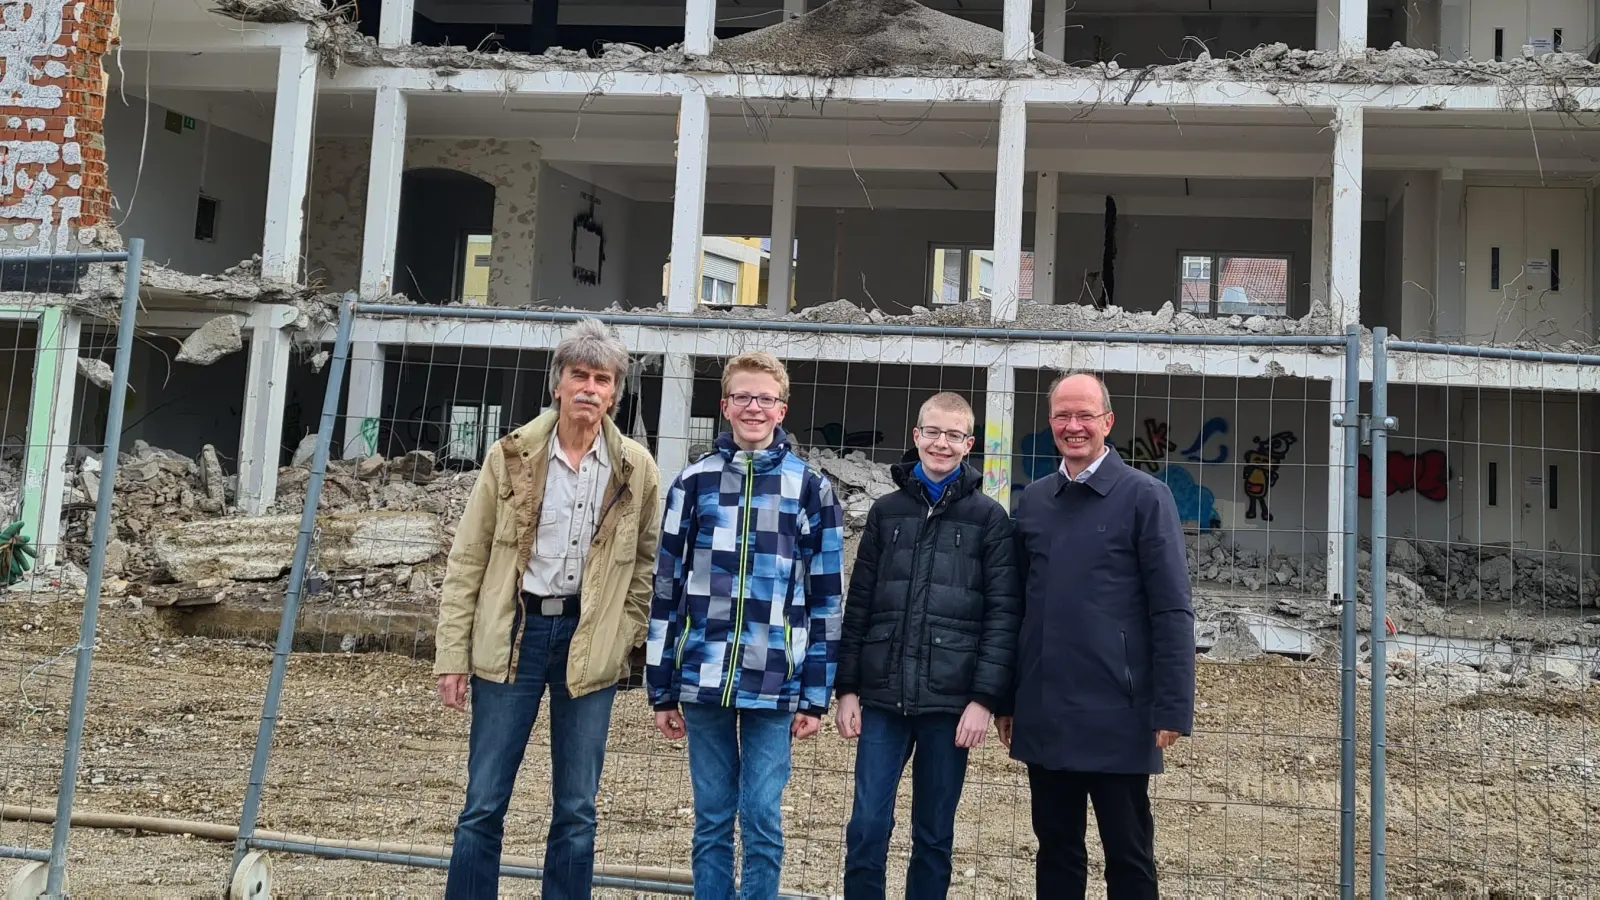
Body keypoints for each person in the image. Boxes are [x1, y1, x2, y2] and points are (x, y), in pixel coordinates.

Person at [435, 319, 663, 899]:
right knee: (483, 801)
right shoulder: (510, 455)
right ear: (558, 384)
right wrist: (452, 655)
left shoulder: (636, 468)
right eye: (579, 375)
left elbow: (645, 563)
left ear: (615, 392)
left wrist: (624, 632)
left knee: (578, 808)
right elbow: (469, 557)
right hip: (516, 636)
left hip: (589, 642)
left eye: (602, 378)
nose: (589, 388)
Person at [646, 351, 845, 900]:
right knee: (712, 819)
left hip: (776, 680)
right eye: (742, 397)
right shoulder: (692, 483)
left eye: (766, 399)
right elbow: (666, 588)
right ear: (725, 406)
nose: (753, 407)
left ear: (782, 409)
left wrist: (816, 694)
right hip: (704, 677)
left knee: (761, 817)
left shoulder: (811, 489)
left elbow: (827, 597)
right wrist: (660, 687)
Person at [1000, 371, 1196, 900]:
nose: (1073, 425)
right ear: (1050, 423)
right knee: (1057, 853)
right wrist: (1007, 699)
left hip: (1120, 714)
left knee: (1128, 858)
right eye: (1063, 415)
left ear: (1108, 422)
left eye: (1085, 415)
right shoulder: (1035, 501)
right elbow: (1018, 607)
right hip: (1047, 711)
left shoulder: (1145, 498)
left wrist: (1173, 706)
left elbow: (1173, 609)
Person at [835, 392, 1021, 899]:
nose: (941, 443)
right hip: (881, 697)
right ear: (916, 437)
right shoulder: (885, 513)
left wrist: (984, 700)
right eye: (932, 432)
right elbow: (861, 604)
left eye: (954, 435)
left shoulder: (990, 520)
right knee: (867, 828)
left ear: (970, 444)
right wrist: (847, 688)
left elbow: (1003, 617)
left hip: (950, 703)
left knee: (934, 836)